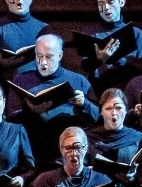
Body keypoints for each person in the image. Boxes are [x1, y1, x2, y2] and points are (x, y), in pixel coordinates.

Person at [7, 32, 98, 160]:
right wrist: (30, 111)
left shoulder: (79, 80)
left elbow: (98, 116)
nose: (43, 62)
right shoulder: (21, 81)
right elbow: (11, 116)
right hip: (33, 143)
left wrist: (84, 104)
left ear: (60, 55)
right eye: (39, 56)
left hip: (66, 147)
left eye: (49, 57)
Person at [78, 0, 142, 90]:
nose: (106, 8)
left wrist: (118, 60)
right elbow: (85, 66)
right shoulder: (90, 33)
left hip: (127, 91)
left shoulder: (136, 33)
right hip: (99, 92)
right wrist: (100, 59)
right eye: (101, 4)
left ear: (121, 2)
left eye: (110, 2)